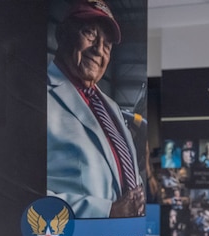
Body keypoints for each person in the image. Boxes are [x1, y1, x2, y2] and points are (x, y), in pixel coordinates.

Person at [47, 0, 144, 218]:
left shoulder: (111, 107)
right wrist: (106, 211)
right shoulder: (36, 96)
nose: (99, 50)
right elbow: (21, 190)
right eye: (89, 34)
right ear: (62, 34)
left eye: (107, 45)